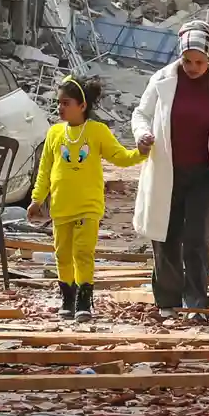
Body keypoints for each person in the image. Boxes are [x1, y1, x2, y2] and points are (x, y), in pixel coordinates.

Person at [131, 20, 209, 320]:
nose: (193, 67)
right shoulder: (162, 79)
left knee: (196, 239)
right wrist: (142, 135)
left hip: (204, 173)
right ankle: (167, 301)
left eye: (199, 62)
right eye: (188, 61)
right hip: (168, 171)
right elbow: (142, 113)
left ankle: (195, 304)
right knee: (165, 236)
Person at [28, 75, 150, 322]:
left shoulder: (97, 131)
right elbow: (44, 170)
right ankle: (67, 298)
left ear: (82, 106)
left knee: (83, 252)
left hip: (88, 206)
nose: (60, 108)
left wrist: (141, 152)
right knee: (62, 254)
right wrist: (37, 199)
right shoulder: (54, 133)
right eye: (59, 103)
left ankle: (84, 300)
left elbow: (120, 157)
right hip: (61, 206)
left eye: (66, 103)